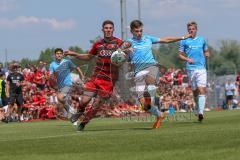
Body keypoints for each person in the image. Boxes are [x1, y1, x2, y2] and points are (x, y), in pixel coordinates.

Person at [125, 20, 191, 128]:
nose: (139, 33)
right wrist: (125, 50)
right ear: (132, 31)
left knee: (149, 80)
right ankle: (160, 115)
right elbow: (117, 53)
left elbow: (166, 40)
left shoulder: (148, 39)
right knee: (145, 105)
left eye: (141, 30)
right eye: (136, 31)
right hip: (138, 72)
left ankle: (150, 98)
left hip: (151, 67)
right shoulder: (128, 42)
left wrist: (182, 38)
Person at [64, 20, 124, 131]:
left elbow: (126, 55)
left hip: (109, 81)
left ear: (113, 30)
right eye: (106, 28)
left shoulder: (119, 43)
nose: (108, 30)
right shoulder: (98, 44)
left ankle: (83, 123)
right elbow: (88, 57)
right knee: (84, 101)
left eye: (110, 28)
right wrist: (75, 54)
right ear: (102, 30)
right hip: (96, 78)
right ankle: (80, 111)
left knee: (96, 105)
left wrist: (128, 52)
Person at [178, 21, 210, 122]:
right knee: (195, 90)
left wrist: (207, 54)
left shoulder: (202, 40)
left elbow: (206, 51)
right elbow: (180, 55)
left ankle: (201, 112)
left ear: (196, 29)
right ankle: (197, 107)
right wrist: (187, 59)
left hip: (201, 68)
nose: (191, 31)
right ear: (188, 30)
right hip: (190, 69)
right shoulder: (184, 41)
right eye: (189, 29)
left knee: (202, 89)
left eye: (193, 29)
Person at [49, 48, 84, 116]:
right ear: (55, 55)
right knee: (61, 101)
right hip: (59, 85)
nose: (59, 55)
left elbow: (77, 68)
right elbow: (51, 76)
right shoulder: (52, 64)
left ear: (62, 55)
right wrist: (52, 83)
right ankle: (72, 112)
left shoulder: (67, 62)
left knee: (60, 98)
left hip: (68, 84)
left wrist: (81, 76)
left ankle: (71, 110)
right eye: (57, 54)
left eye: (60, 54)